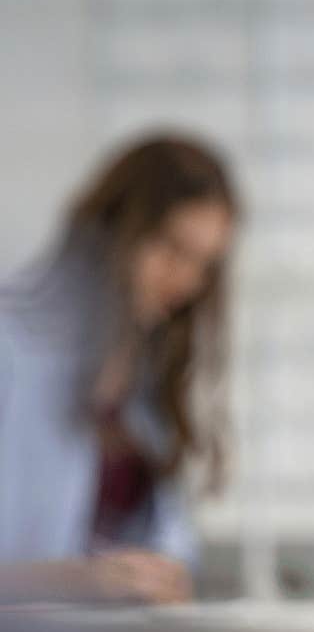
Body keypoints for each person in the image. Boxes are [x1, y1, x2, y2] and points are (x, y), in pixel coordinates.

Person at [0, 134, 238, 605]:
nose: (187, 281)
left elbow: (170, 550)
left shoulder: (147, 383)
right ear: (110, 230)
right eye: (172, 248)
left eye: (204, 264)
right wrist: (76, 582)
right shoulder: (11, 349)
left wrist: (164, 580)